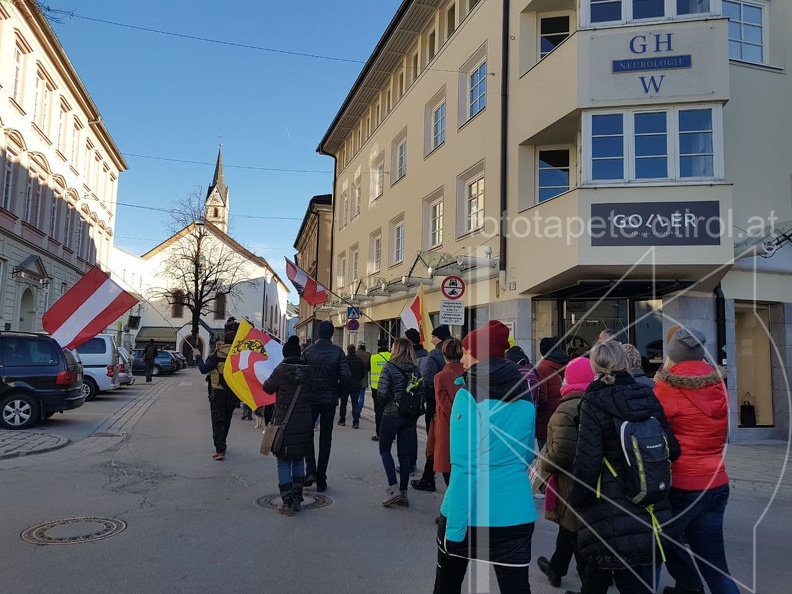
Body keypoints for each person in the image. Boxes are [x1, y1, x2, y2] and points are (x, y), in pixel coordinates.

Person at [569, 340, 680, 594]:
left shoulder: (593, 401)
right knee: (607, 570)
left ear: (595, 366)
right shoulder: (647, 394)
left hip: (611, 505)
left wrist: (577, 498)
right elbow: (672, 449)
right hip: (650, 500)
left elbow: (588, 462)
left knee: (623, 576)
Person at [434, 320, 537, 594]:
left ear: (481, 354)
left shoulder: (467, 396)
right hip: (516, 514)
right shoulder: (524, 395)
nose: (463, 357)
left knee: (447, 586)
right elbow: (527, 456)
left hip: (472, 516)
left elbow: (464, 469)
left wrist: (453, 531)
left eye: (468, 351)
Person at [655, 326, 738, 594]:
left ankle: (688, 586)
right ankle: (689, 587)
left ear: (674, 355)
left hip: (684, 483)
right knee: (715, 566)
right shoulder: (718, 386)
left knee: (654, 546)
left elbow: (652, 429)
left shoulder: (667, 387)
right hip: (717, 481)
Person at [536, 356, 593, 590]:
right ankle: (556, 569)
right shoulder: (593, 401)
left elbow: (561, 453)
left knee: (571, 528)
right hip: (588, 476)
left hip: (569, 479)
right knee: (568, 525)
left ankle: (589, 580)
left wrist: (543, 464)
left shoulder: (566, 408)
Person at [262, 336, 311, 516]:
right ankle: (297, 499)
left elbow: (267, 388)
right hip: (304, 422)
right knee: (298, 458)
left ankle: (287, 501)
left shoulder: (281, 370)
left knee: (283, 461)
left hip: (284, 422)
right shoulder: (308, 371)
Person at [302, 321, 351, 492]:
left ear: (317, 333)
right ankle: (321, 478)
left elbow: (301, 373)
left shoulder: (308, 351)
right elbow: (346, 376)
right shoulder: (338, 352)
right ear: (331, 335)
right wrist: (338, 392)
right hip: (329, 399)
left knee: (307, 434)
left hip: (311, 398)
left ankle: (310, 471)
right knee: (326, 439)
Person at [376, 338, 422, 507]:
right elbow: (420, 391)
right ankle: (403, 492)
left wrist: (391, 402)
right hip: (409, 415)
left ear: (396, 349)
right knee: (404, 455)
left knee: (384, 449)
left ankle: (393, 488)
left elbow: (381, 392)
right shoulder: (415, 369)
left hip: (391, 414)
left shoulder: (389, 367)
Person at [412, 324, 452, 493]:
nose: (432, 339)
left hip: (436, 405)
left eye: (434, 336)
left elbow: (428, 380)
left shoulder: (435, 353)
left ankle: (430, 479)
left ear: (440, 338)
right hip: (457, 404)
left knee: (433, 443)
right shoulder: (460, 350)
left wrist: (425, 399)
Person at [193, 331, 238, 461]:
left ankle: (219, 450)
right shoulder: (237, 354)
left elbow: (204, 369)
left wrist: (198, 357)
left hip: (218, 391)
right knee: (227, 420)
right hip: (232, 392)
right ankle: (222, 444)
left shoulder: (217, 354)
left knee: (217, 421)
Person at [431, 338, 464, 488]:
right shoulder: (470, 373)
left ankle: (451, 508)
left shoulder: (441, 377)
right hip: (469, 427)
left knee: (449, 471)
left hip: (448, 429)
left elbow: (446, 406)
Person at [535, 337, 568, 452]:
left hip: (546, 421)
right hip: (565, 418)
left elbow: (542, 397)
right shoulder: (566, 364)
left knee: (546, 458)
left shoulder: (542, 368)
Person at [369, 339, 391, 441]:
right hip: (390, 388)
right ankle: (391, 433)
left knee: (378, 412)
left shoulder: (373, 358)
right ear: (387, 345)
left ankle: (379, 433)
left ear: (378, 346)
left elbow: (368, 368)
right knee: (390, 411)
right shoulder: (392, 357)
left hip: (376, 388)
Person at [339, 344, 365, 428]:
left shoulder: (344, 360)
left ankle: (342, 420)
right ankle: (356, 422)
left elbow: (340, 372)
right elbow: (363, 374)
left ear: (347, 350)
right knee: (355, 404)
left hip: (345, 384)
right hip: (355, 384)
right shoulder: (359, 361)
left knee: (343, 403)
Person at [356, 341, 371, 415]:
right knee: (362, 395)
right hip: (364, 377)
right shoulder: (368, 355)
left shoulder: (355, 353)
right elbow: (369, 367)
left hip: (356, 378)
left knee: (355, 395)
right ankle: (359, 409)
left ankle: (355, 410)